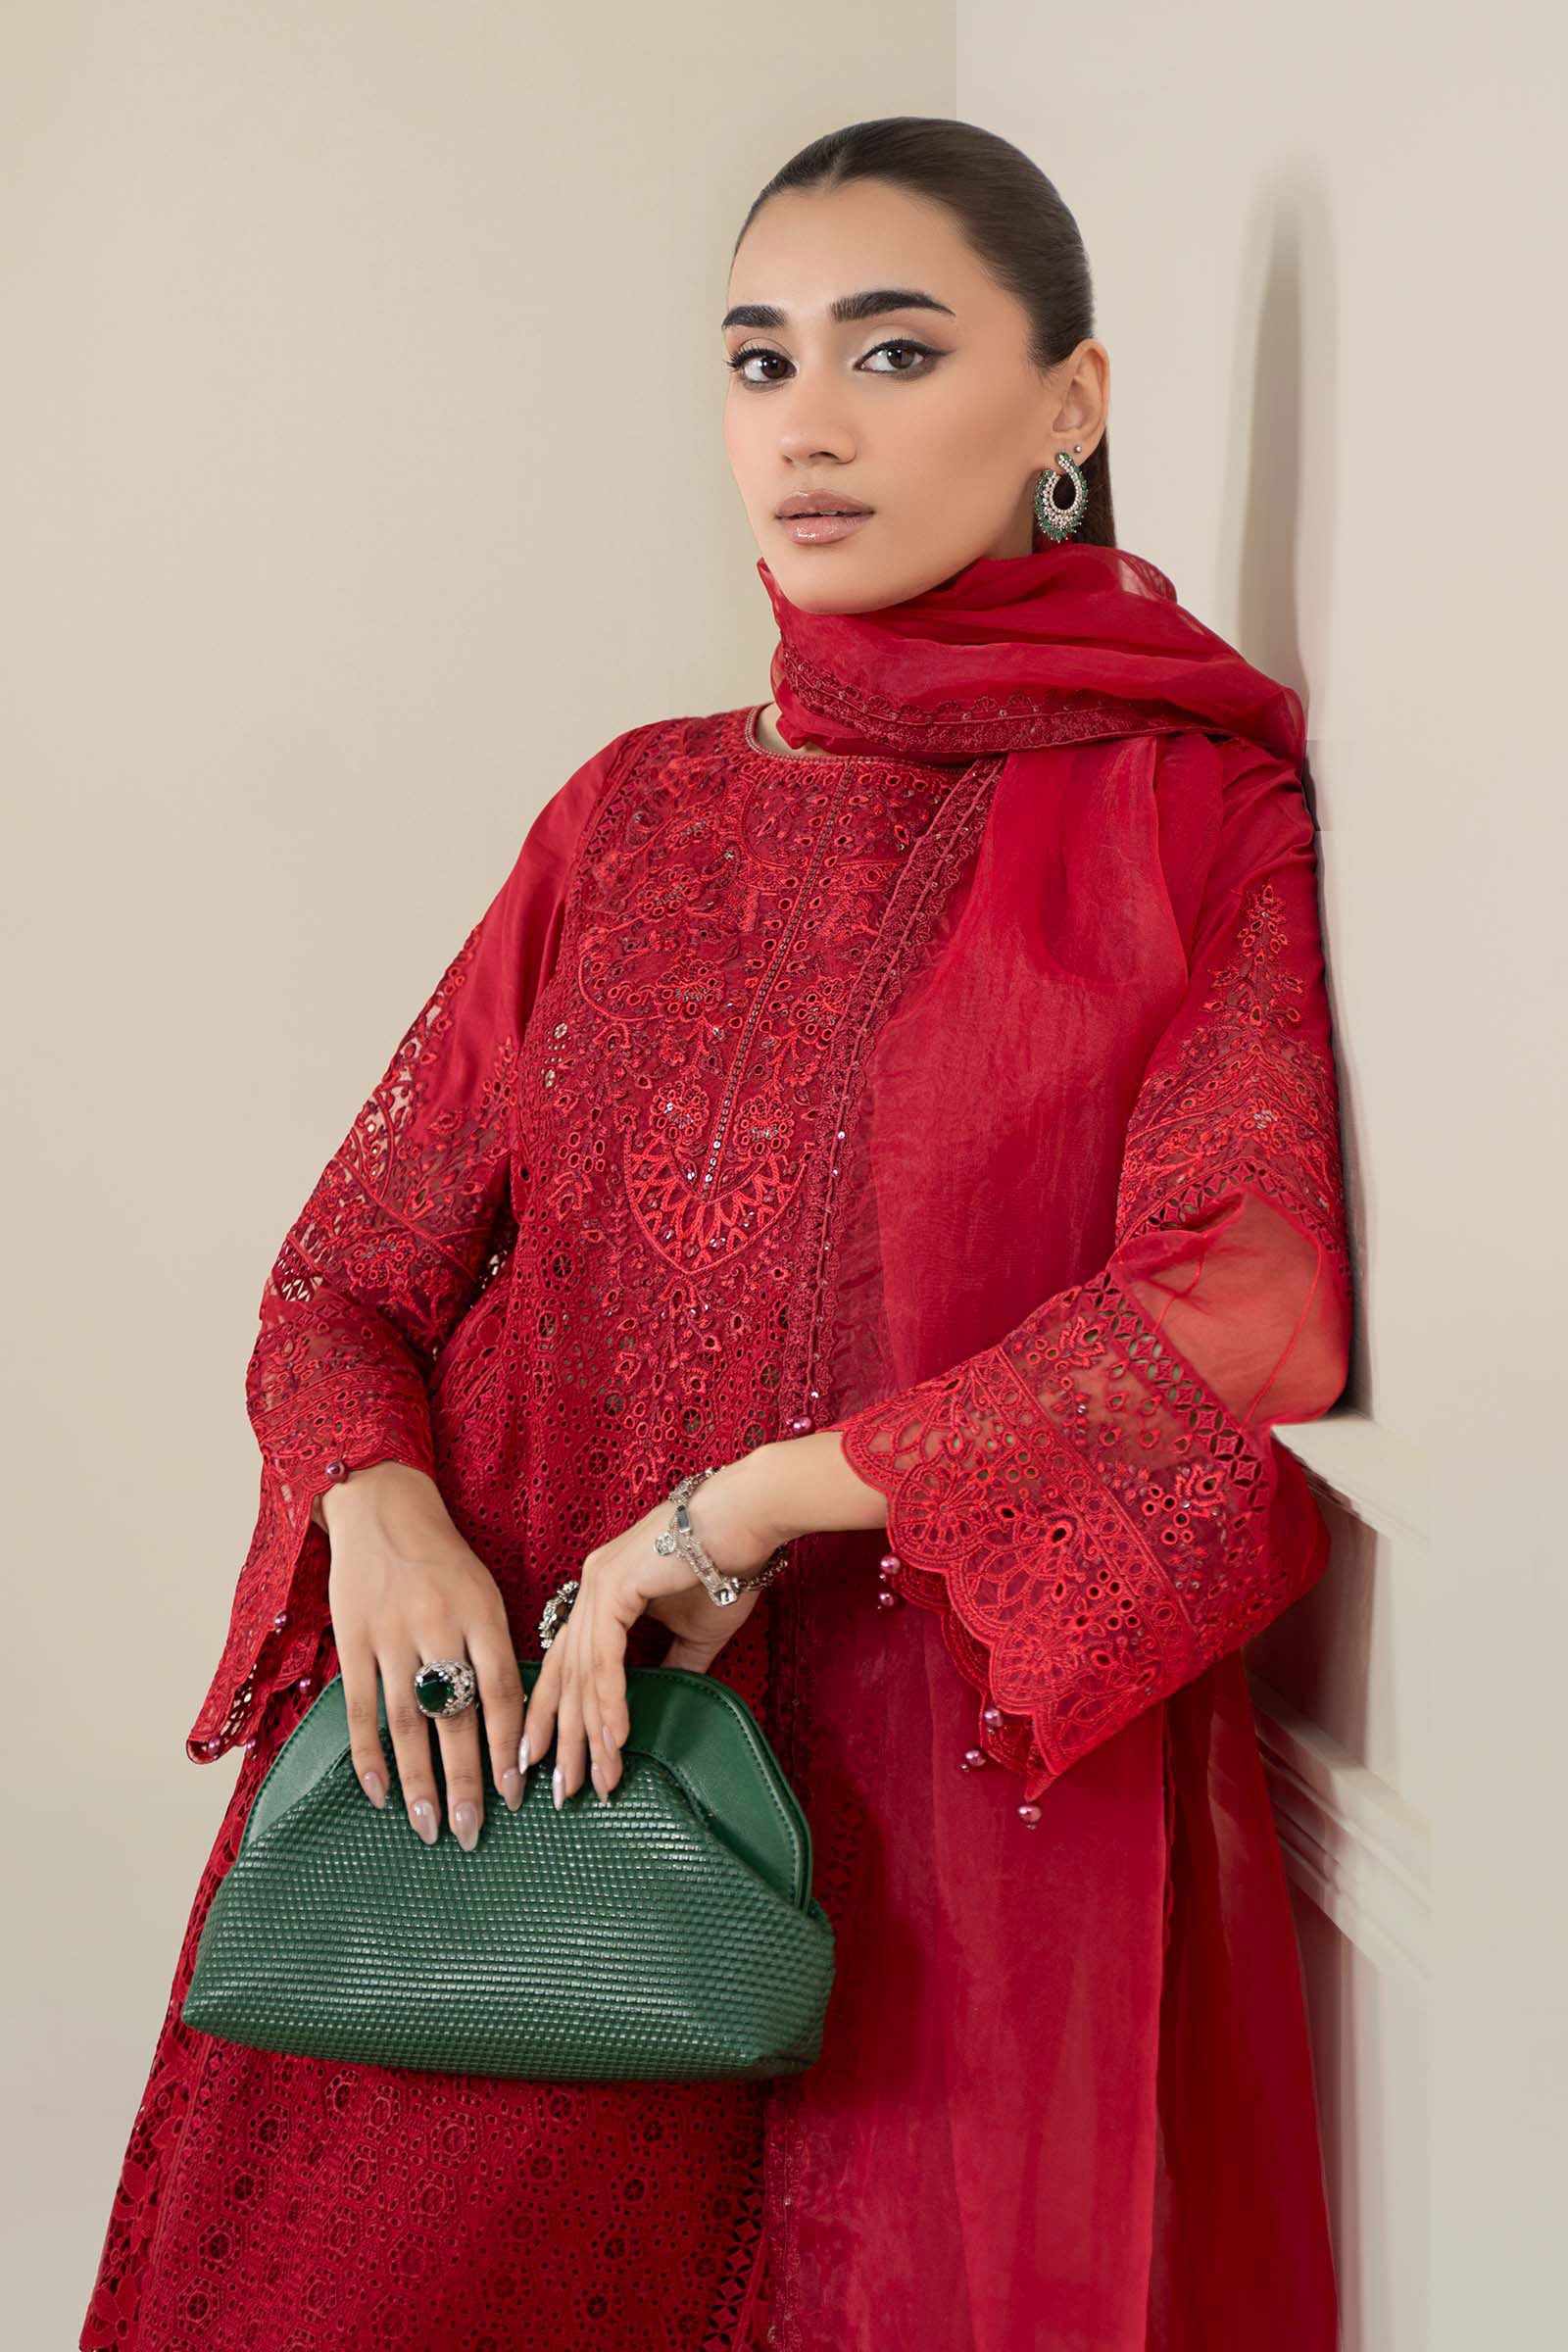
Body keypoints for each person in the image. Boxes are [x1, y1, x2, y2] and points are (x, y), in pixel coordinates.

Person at [80, 115, 1350, 2352]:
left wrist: (742, 1507)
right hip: (509, 1785)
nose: (808, 425)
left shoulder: (1187, 817)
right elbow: (344, 1279)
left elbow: (1241, 1300)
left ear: (1069, 400)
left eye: (893, 352)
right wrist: (377, 1508)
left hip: (933, 1817)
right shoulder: (632, 808)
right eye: (761, 361)